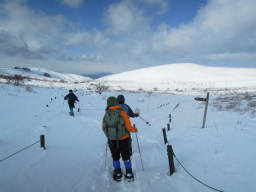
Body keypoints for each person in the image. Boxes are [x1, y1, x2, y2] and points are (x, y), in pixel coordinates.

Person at [102, 96, 137, 181]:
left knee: (115, 156)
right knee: (126, 155)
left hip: (112, 140)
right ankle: (129, 173)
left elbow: (103, 127)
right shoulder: (122, 112)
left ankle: (118, 172)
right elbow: (128, 127)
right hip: (124, 138)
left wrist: (109, 136)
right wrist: (134, 129)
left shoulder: (106, 114)